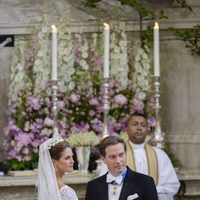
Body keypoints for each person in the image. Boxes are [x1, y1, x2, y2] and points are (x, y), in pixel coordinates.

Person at [125, 112, 180, 200]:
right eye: (135, 124)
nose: (139, 128)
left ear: (147, 130)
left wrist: (149, 192)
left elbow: (171, 185)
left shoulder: (160, 155)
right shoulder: (117, 155)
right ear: (126, 129)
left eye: (143, 125)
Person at [85, 135, 158, 200]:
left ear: (126, 154)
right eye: (113, 157)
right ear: (103, 159)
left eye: (121, 155)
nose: (118, 161)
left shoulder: (145, 182)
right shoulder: (93, 186)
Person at [37, 134, 78, 200]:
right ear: (53, 162)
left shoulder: (45, 188)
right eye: (67, 158)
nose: (72, 161)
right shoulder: (67, 193)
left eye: (72, 157)